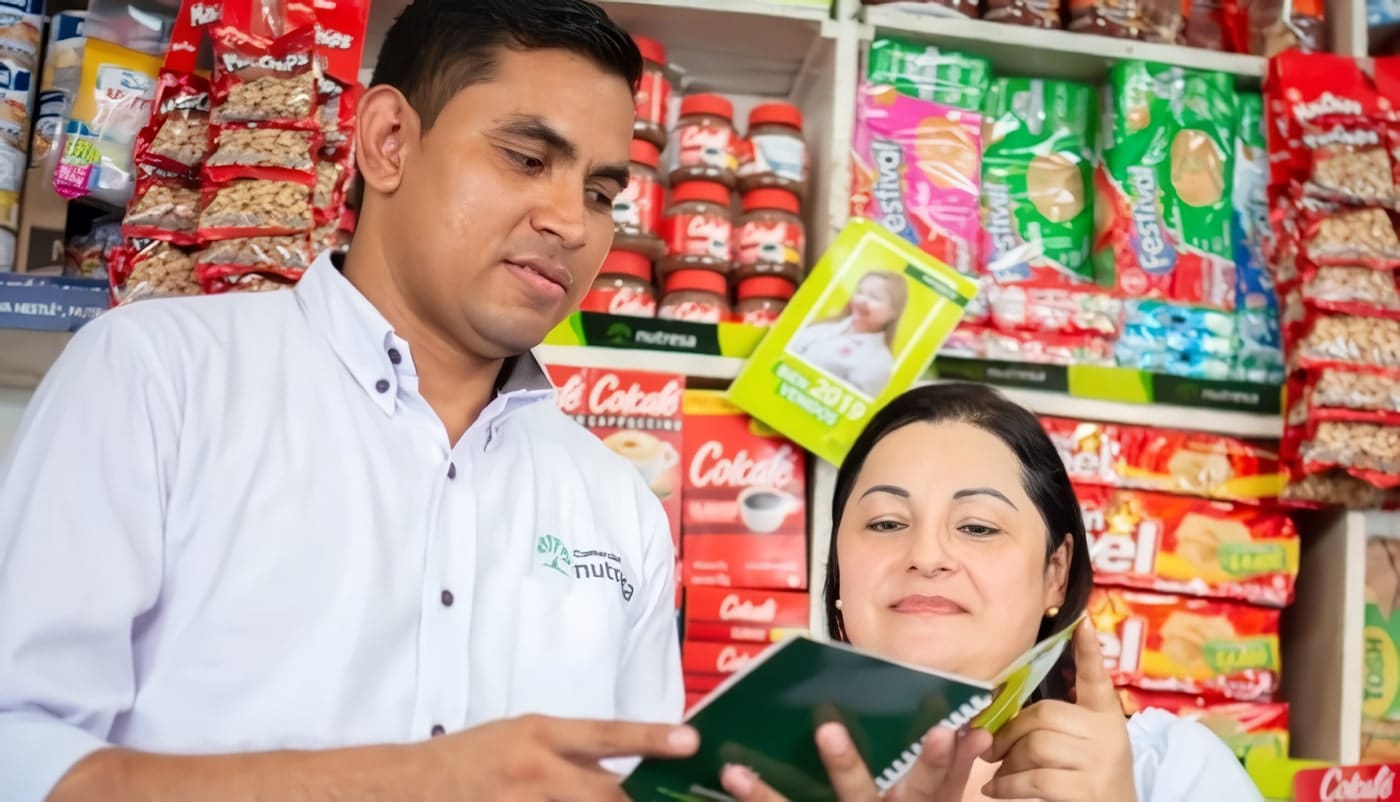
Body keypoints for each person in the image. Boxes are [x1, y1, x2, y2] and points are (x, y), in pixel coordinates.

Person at [0, 2, 700, 800]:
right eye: (527, 159)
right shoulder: (159, 377)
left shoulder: (617, 507)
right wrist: (409, 780)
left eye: (603, 193)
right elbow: (18, 750)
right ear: (388, 141)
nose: (572, 224)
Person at [718, 383, 1262, 802]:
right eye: (886, 523)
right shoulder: (742, 775)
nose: (926, 556)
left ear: (1056, 572)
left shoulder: (1171, 769)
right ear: (839, 571)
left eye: (977, 527)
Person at [788, 270, 907, 398]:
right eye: (860, 292)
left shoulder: (879, 361)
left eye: (874, 297)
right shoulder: (824, 325)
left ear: (894, 312)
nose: (862, 300)